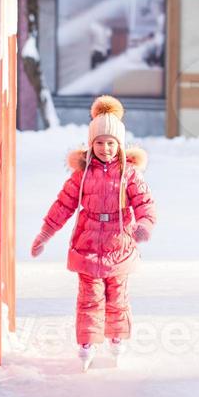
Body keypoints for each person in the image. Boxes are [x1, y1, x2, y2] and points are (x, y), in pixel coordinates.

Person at [30, 95, 157, 372]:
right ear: (91, 145)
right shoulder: (82, 175)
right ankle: (87, 342)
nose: (106, 148)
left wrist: (144, 225)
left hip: (119, 243)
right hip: (87, 245)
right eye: (99, 142)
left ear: (120, 145)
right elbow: (63, 205)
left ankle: (115, 338)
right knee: (89, 297)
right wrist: (44, 235)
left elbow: (145, 203)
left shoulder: (129, 174)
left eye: (111, 143)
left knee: (117, 296)